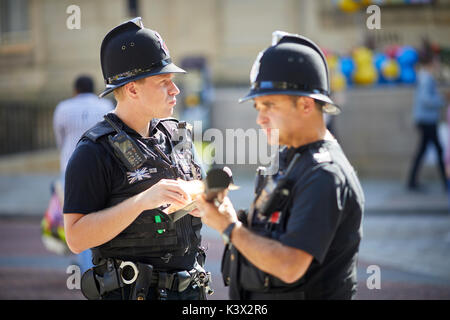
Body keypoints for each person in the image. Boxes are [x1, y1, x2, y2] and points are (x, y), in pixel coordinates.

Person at [197, 31, 365, 300]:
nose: (260, 119)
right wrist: (231, 215)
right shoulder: (292, 157)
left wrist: (229, 227)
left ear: (306, 104)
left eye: (269, 105)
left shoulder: (324, 174)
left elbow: (289, 266)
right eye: (257, 107)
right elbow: (271, 234)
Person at [63, 17, 208, 300]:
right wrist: (142, 201)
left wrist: (204, 201)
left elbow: (195, 201)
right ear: (132, 89)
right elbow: (76, 238)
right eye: (163, 81)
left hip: (191, 292)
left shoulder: (177, 134)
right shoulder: (94, 151)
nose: (175, 89)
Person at [53, 75, 113, 272]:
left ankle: (85, 268)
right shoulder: (105, 105)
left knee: (75, 222)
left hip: (70, 169)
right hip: (100, 169)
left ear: (75, 90)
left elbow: (59, 139)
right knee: (98, 220)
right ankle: (97, 266)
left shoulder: (63, 107)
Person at [407, 44, 447, 192]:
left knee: (425, 150)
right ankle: (445, 182)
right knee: (438, 149)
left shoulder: (424, 76)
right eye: (436, 61)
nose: (438, 64)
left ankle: (412, 181)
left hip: (425, 119)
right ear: (431, 62)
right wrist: (441, 101)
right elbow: (425, 99)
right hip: (427, 120)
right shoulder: (426, 78)